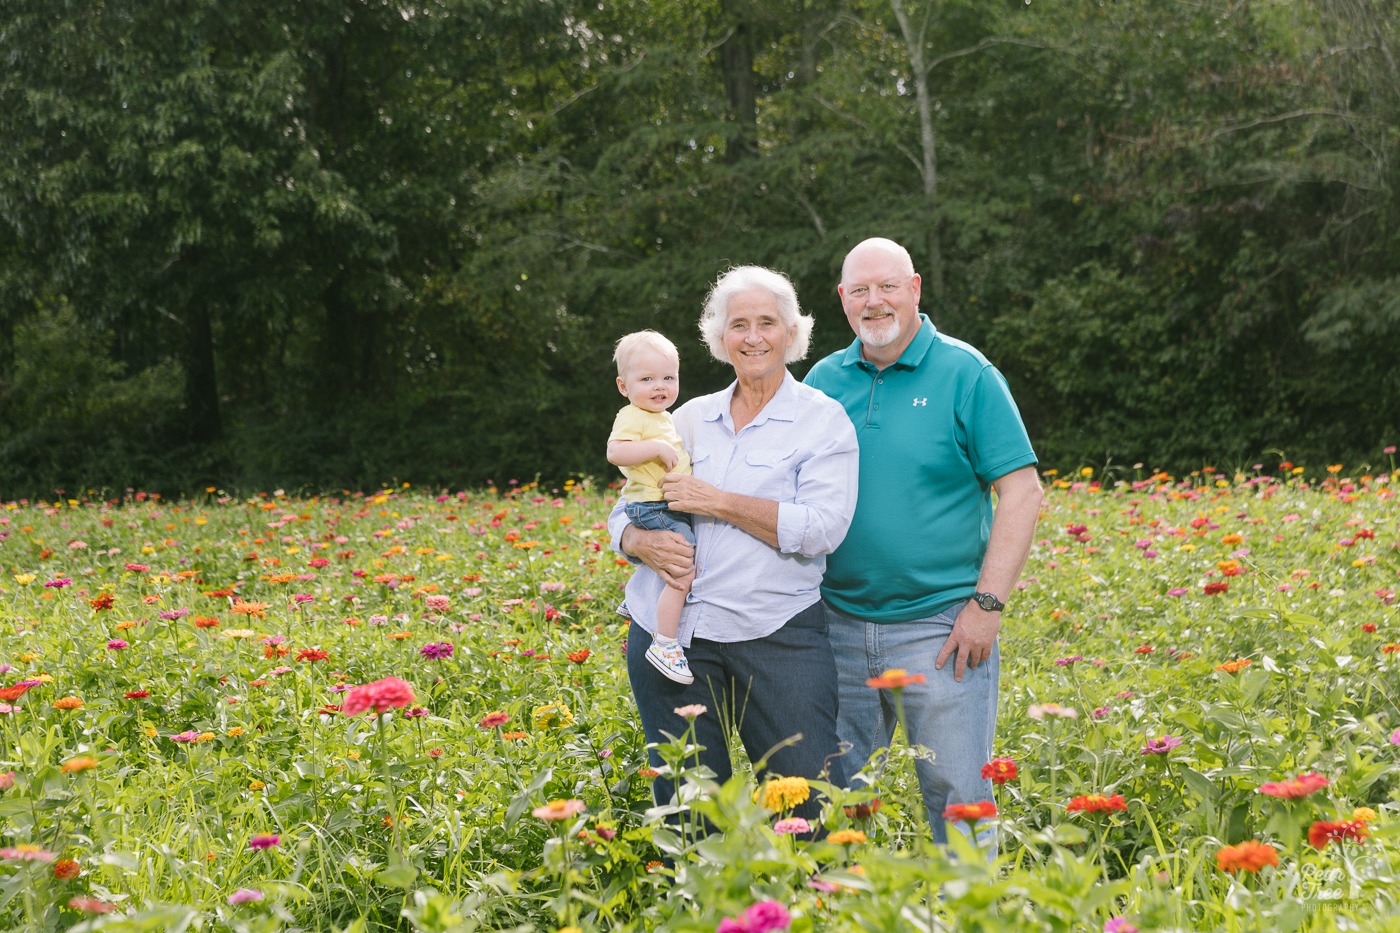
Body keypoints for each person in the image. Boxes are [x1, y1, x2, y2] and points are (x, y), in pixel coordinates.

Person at [803, 237, 1043, 849]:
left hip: (941, 628)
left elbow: (1022, 492)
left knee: (959, 796)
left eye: (887, 286)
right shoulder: (823, 380)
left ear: (915, 289)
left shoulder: (967, 374)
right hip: (834, 624)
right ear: (842, 300)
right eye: (859, 290)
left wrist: (986, 607)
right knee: (833, 796)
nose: (874, 301)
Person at [610, 265, 858, 831]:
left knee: (810, 806)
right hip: (671, 642)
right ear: (720, 338)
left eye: (767, 323)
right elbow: (630, 501)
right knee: (691, 816)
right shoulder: (688, 417)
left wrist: (718, 501)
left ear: (791, 332)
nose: (752, 337)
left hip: (776, 635)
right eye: (738, 324)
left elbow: (823, 528)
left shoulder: (822, 422)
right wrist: (635, 539)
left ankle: (817, 911)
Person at [607, 330, 696, 684]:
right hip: (652, 506)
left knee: (680, 556)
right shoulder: (634, 415)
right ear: (623, 386)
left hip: (663, 503)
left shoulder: (662, 415)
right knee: (683, 566)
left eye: (668, 377)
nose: (660, 386)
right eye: (647, 379)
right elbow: (615, 452)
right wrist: (656, 449)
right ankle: (666, 642)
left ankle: (642, 600)